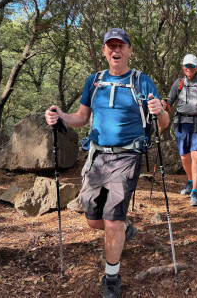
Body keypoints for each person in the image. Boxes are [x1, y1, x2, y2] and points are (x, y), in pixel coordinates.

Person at [45, 28, 169, 298]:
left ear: (129, 50)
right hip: (97, 157)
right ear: (104, 51)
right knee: (93, 219)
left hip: (127, 156)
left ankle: (111, 277)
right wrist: (60, 117)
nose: (116, 50)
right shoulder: (94, 81)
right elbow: (80, 117)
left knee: (111, 220)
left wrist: (160, 112)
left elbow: (163, 124)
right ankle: (124, 229)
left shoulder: (142, 81)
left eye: (121, 45)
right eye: (110, 46)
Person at [162, 54, 197, 206]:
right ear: (183, 67)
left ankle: (195, 191)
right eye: (186, 65)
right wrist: (163, 104)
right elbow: (170, 100)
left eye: (192, 66)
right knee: (184, 157)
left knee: (196, 155)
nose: (189, 68)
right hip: (181, 122)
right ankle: (190, 179)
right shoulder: (178, 83)